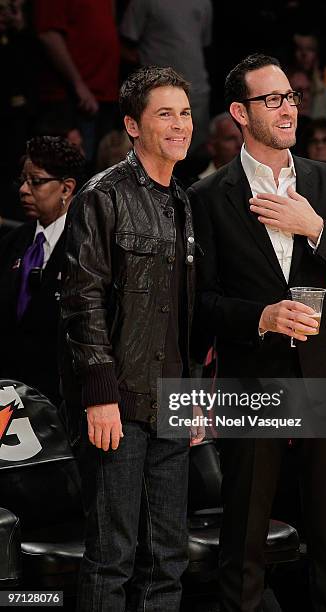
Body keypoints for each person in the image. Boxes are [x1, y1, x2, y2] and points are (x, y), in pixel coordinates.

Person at [188, 53, 326, 612]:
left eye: (291, 98)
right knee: (245, 540)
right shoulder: (206, 197)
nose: (287, 109)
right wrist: (260, 317)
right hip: (251, 380)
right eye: (271, 99)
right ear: (238, 112)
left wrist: (315, 228)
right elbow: (197, 305)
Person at [60, 66, 204, 612]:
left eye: (185, 113)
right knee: (111, 557)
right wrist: (99, 394)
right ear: (132, 126)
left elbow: (183, 313)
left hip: (170, 399)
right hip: (116, 403)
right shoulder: (103, 195)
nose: (180, 125)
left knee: (168, 560)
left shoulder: (183, 203)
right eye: (164, 113)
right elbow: (81, 299)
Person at [0, 135, 85, 405]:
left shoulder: (86, 245)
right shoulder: (11, 243)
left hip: (62, 397)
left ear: (66, 188)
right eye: (22, 181)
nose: (24, 190)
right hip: (8, 390)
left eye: (35, 181)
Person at [119, 0, 212, 159]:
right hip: (154, 94)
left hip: (197, 90)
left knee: (195, 154)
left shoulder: (203, 2)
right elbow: (124, 41)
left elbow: (203, 42)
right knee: (155, 151)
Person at [33, 0, 120, 162]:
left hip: (106, 93)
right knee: (73, 169)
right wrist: (78, 84)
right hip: (72, 98)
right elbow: (48, 34)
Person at [198, 112, 243, 179]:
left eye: (243, 138)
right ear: (211, 147)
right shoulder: (197, 186)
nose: (240, 144)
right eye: (230, 139)